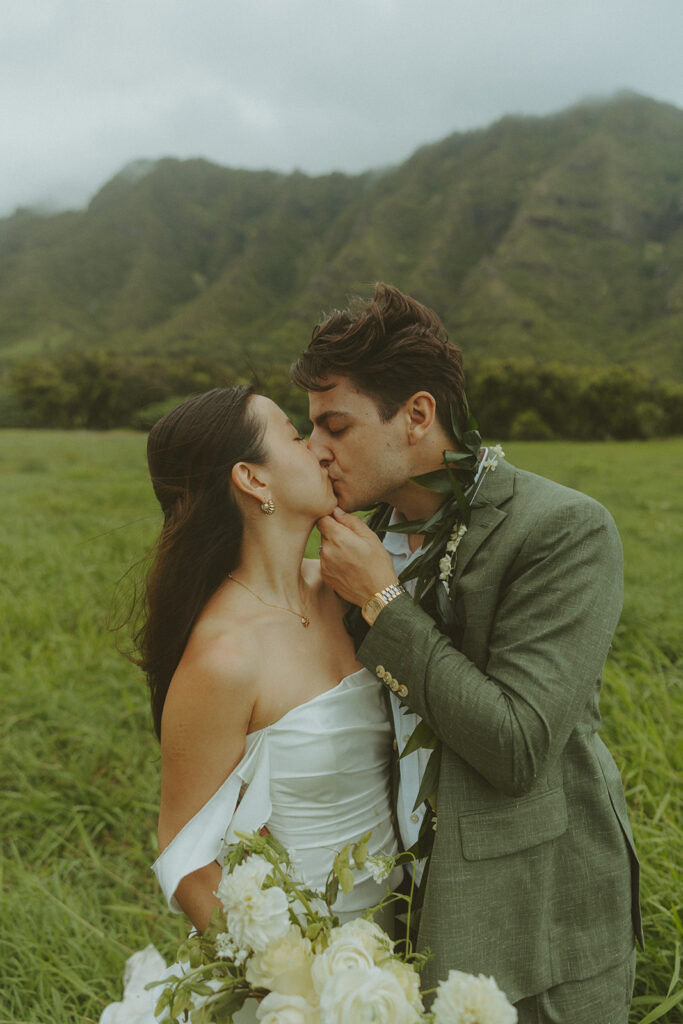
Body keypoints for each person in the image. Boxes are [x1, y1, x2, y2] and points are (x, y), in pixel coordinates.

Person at [291, 283, 643, 1024]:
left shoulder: (563, 531)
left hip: (531, 929)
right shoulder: (353, 539)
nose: (314, 450)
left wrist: (382, 604)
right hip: (383, 920)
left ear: (416, 415)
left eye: (336, 426)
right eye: (309, 428)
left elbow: (516, 745)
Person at [100, 386, 400, 1023]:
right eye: (295, 435)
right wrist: (288, 991)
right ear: (251, 477)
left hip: (406, 930)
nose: (319, 449)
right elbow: (185, 856)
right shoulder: (226, 656)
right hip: (308, 963)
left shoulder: (346, 591)